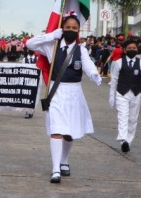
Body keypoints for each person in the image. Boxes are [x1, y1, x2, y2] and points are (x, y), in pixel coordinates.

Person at [25, 15, 102, 184]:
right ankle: (55, 169)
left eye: (75, 28)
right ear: (62, 28)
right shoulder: (52, 46)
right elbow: (29, 44)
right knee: (56, 129)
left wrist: (94, 74)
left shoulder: (81, 50)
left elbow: (88, 64)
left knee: (69, 132)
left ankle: (64, 160)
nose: (71, 30)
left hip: (74, 94)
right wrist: (51, 35)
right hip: (57, 92)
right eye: (68, 27)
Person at [108, 37, 141, 153]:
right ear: (125, 50)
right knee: (123, 116)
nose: (132, 50)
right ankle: (123, 139)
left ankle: (128, 141)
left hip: (136, 93)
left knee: (133, 119)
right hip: (122, 93)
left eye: (134, 48)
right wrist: (112, 96)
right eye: (129, 48)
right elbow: (114, 80)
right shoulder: (118, 63)